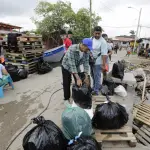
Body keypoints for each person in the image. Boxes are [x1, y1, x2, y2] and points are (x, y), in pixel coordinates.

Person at [91, 26, 108, 95]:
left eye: (99, 33)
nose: (97, 35)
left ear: (101, 33)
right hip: (91, 61)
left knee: (97, 76)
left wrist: (104, 65)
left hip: (98, 62)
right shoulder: (91, 39)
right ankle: (94, 86)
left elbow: (104, 54)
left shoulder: (103, 42)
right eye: (96, 33)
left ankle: (96, 90)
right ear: (93, 33)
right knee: (92, 75)